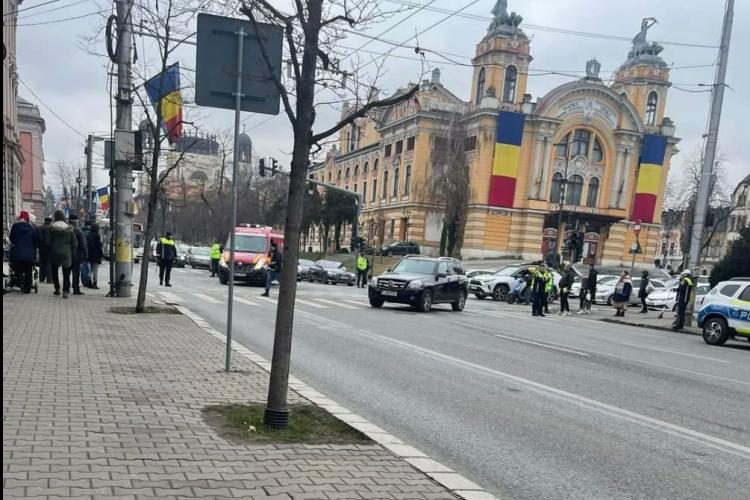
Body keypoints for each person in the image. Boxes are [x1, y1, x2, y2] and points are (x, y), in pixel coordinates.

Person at [49, 210, 77, 298]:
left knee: (54, 271)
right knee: (66, 272)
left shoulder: (52, 228)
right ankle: (65, 291)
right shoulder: (70, 229)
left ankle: (57, 289)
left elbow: (49, 241)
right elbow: (75, 243)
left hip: (55, 252)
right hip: (66, 253)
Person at [9, 211, 38, 293]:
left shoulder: (15, 226)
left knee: (17, 269)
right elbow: (35, 241)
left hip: (17, 254)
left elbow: (11, 238)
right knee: (28, 271)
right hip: (29, 254)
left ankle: (19, 283)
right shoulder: (32, 228)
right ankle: (27, 288)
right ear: (27, 219)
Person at [67, 215, 88, 295]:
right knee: (76, 273)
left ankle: (66, 288)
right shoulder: (78, 231)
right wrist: (85, 255)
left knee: (66, 272)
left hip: (67, 254)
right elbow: (83, 244)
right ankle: (76, 289)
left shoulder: (65, 229)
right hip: (76, 255)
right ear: (76, 222)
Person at [86, 223, 104, 289]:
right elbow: (98, 246)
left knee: (90, 270)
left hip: (90, 255)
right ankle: (95, 283)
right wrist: (101, 255)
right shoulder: (97, 236)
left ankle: (89, 282)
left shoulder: (88, 235)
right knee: (95, 270)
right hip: (96, 255)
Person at [37, 216, 53, 283]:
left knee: (42, 263)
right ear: (50, 222)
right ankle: (49, 279)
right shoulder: (51, 228)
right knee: (49, 264)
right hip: (49, 248)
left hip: (41, 248)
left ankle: (41, 278)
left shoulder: (39, 228)